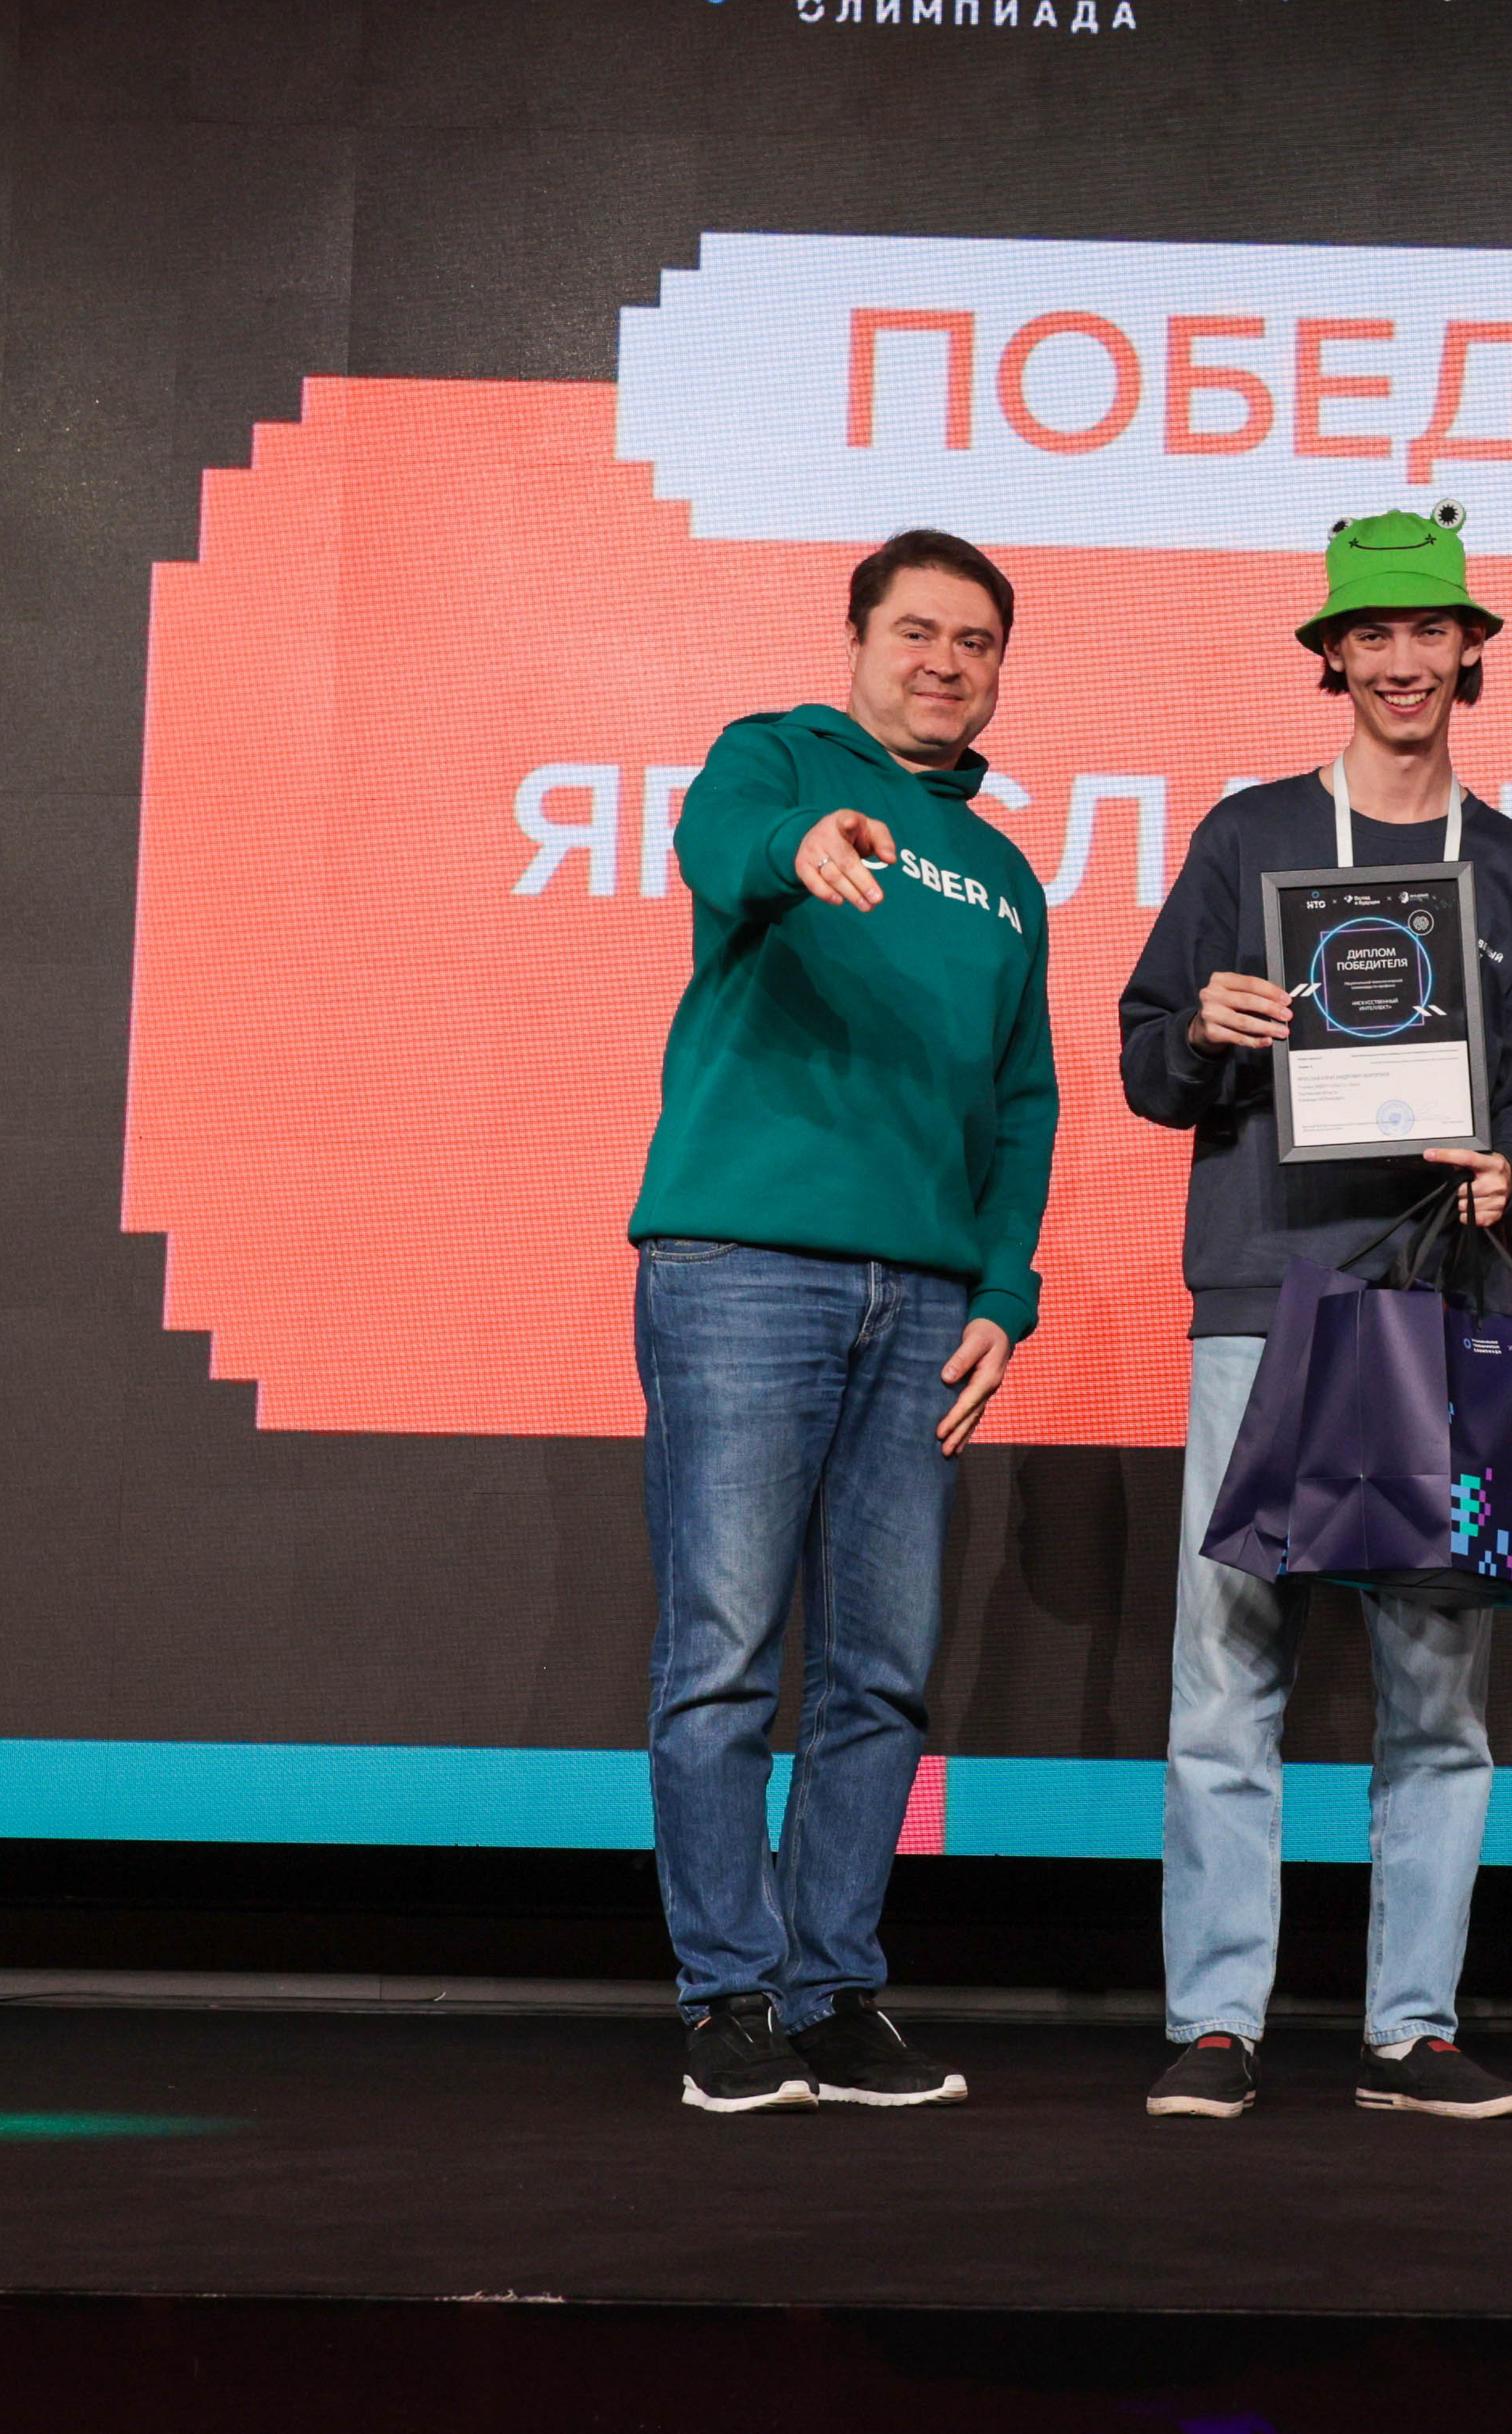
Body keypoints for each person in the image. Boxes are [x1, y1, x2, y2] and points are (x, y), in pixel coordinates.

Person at [1116, 504, 1512, 2121]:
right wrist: (1206, 1028)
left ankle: (1412, 2030)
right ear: (1332, 656)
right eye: (1370, 634)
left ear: (1470, 651)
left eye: (1428, 631)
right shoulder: (1248, 839)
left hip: (1442, 1305)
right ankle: (1215, 2022)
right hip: (1265, 1294)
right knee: (1226, 1670)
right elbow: (1145, 1063)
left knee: (1436, 1683)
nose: (1401, 662)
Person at [626, 529, 1057, 2115]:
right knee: (726, 1655)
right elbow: (715, 843)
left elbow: (1025, 1100)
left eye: (975, 642)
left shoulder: (1006, 877)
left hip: (926, 1300)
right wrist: (798, 844)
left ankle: (831, 1993)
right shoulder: (777, 760)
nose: (946, 662)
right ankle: (727, 1998)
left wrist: (1002, 1292)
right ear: (860, 641)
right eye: (917, 632)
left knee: (879, 1673)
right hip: (745, 1267)